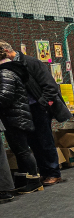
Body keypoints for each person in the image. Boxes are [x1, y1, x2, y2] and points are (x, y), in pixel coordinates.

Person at [0, 40, 66, 186]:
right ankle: (44, 173)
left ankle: (54, 173)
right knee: (34, 143)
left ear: (6, 50)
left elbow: (51, 87)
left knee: (45, 141)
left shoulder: (31, 62)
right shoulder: (11, 66)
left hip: (38, 107)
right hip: (26, 110)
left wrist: (42, 105)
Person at [0, 48, 42, 194]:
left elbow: (5, 97)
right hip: (16, 116)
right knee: (19, 150)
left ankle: (34, 181)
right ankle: (25, 180)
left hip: (15, 117)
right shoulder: (10, 71)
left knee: (23, 150)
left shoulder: (5, 73)